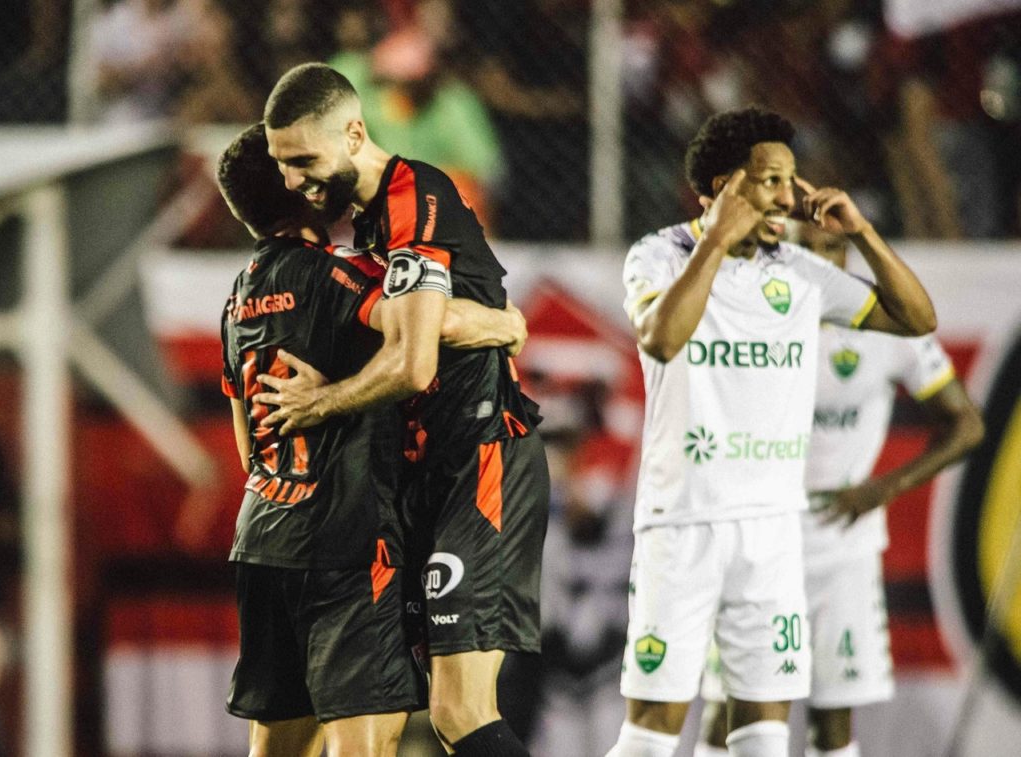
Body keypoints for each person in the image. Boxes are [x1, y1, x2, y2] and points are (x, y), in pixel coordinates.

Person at [607, 106, 937, 757]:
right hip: (685, 525)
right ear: (726, 187)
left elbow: (916, 317)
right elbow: (662, 338)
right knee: (650, 735)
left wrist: (864, 232)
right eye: (771, 181)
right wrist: (715, 242)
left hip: (773, 530)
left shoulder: (799, 270)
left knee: (763, 736)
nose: (790, 197)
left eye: (792, 180)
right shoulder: (659, 253)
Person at [253, 63, 549, 757]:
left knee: (460, 710)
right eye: (280, 164)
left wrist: (319, 403)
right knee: (410, 712)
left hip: (481, 459)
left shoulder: (414, 195)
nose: (293, 179)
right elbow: (431, 321)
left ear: (355, 133)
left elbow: (414, 360)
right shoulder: (366, 226)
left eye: (303, 160)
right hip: (428, 474)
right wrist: (499, 322)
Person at [695, 221, 985, 757]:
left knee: (832, 723)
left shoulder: (885, 328)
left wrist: (881, 488)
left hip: (842, 553)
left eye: (833, 247)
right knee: (734, 713)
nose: (822, 259)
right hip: (760, 546)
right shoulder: (747, 318)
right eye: (807, 248)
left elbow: (966, 425)